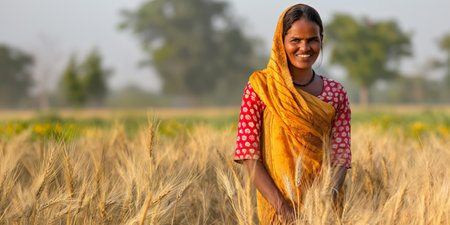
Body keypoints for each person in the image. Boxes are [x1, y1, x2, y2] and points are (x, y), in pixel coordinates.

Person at [234, 4, 351, 224]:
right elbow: (248, 154)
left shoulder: (336, 93)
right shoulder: (260, 87)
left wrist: (322, 205)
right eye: (295, 40)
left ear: (321, 40)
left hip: (324, 212)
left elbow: (341, 156)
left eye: (312, 40)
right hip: (276, 208)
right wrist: (284, 211)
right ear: (281, 41)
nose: (304, 47)